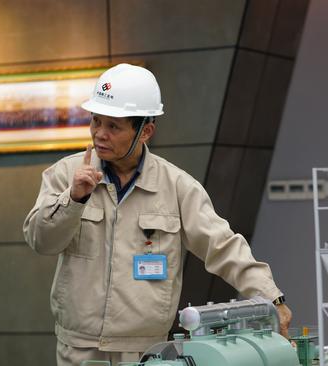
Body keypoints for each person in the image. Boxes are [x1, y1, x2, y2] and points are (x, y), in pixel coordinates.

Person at [22, 64, 292, 365]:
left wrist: (272, 298)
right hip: (80, 351)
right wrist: (74, 198)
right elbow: (40, 240)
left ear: (145, 131)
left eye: (113, 126)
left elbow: (223, 246)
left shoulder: (177, 187)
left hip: (149, 353)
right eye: (95, 121)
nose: (99, 134)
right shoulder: (66, 175)